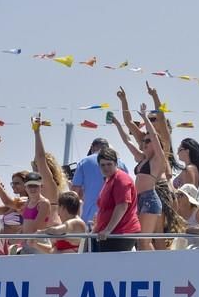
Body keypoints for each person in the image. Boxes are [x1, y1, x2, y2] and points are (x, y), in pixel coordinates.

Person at [112, 104, 166, 250]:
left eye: (147, 141)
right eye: (144, 141)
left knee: (144, 241)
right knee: (138, 241)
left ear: (156, 145)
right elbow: (127, 141)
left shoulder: (158, 160)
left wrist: (144, 118)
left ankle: (156, 270)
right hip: (138, 200)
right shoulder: (142, 158)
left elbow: (155, 137)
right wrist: (117, 123)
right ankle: (147, 269)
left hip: (149, 199)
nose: (144, 143)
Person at [71, 137, 128, 226]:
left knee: (90, 240)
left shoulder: (85, 161)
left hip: (90, 216)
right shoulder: (120, 163)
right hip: (116, 218)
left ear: (93, 148)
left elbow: (75, 191)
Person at [94, 147, 141, 252]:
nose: (106, 168)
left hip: (120, 233)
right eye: (102, 165)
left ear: (116, 163)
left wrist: (108, 230)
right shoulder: (109, 179)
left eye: (109, 164)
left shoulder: (121, 179)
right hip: (109, 234)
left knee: (113, 267)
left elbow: (122, 205)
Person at [32, 115, 67, 225]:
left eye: (36, 164)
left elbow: (41, 158)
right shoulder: (37, 186)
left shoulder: (49, 184)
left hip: (49, 228)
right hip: (43, 229)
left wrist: (36, 131)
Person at [19, 172, 52, 253]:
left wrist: (18, 238)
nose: (32, 189)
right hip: (27, 242)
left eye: (36, 186)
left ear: (41, 187)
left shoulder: (44, 203)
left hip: (38, 243)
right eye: (30, 186)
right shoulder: (27, 202)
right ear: (25, 187)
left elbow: (36, 227)